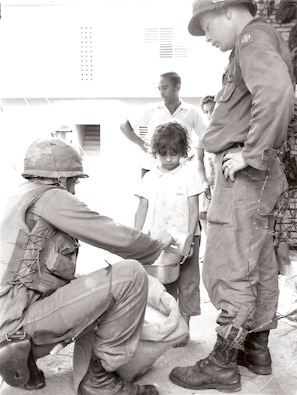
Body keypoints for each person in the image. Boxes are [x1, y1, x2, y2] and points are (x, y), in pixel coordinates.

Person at [169, 0, 295, 392]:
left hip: (244, 175)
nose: (205, 37)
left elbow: (276, 92)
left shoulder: (250, 37)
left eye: (206, 26)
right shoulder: (260, 39)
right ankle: (255, 350)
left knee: (230, 265)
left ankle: (222, 362)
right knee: (257, 265)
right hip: (260, 177)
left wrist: (251, 153)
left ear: (226, 10)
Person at [0, 138, 174, 395]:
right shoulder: (52, 197)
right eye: (74, 180)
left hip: (8, 315)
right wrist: (157, 244)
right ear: (61, 178)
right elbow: (114, 235)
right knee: (131, 275)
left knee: (88, 282)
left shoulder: (20, 195)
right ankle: (99, 382)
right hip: (15, 325)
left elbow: (34, 271)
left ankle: (25, 363)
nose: (74, 189)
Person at [134, 121, 204, 347]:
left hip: (187, 236)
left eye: (174, 153)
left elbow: (194, 209)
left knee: (189, 282)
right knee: (164, 285)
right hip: (160, 239)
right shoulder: (150, 177)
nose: (168, 159)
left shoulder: (189, 174)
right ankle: (170, 327)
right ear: (156, 152)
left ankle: (184, 328)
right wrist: (135, 237)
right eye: (163, 154)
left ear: (183, 151)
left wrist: (190, 240)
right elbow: (142, 207)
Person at [120, 71, 207, 177]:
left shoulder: (192, 112)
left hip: (181, 169)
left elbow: (206, 136)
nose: (161, 92)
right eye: (159, 88)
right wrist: (141, 144)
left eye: (165, 88)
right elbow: (124, 126)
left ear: (177, 87)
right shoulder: (151, 109)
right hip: (151, 167)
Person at [197, 95, 216, 240]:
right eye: (206, 111)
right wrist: (203, 181)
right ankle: (210, 244)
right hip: (208, 183)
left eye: (213, 109)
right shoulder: (202, 135)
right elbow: (198, 160)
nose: (210, 114)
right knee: (203, 214)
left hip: (224, 183)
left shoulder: (228, 132)